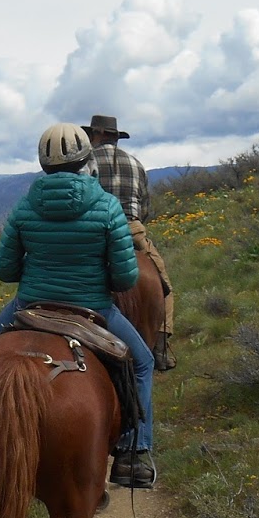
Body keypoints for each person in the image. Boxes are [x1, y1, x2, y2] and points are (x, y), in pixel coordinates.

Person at [0, 122, 156, 488]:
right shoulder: (108, 208)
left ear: (43, 165)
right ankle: (134, 453)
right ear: (85, 160)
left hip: (30, 304)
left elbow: (5, 270)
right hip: (93, 307)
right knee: (143, 363)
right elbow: (126, 278)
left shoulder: (24, 207)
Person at [83, 114, 176, 370]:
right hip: (132, 231)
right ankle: (161, 347)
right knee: (164, 285)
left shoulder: (87, 163)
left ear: (97, 135)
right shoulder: (136, 164)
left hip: (97, 231)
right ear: (115, 136)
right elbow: (145, 206)